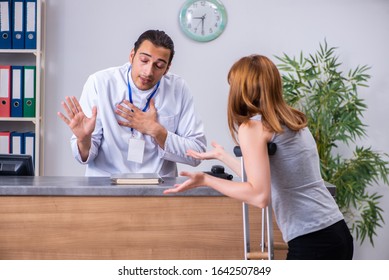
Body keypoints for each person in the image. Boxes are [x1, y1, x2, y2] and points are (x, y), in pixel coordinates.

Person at [164, 54, 354, 260]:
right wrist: (223, 156)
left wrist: (206, 180)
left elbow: (259, 196)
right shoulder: (292, 120)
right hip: (336, 231)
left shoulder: (253, 126)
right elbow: (265, 181)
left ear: (242, 89)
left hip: (312, 240)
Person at [57, 30, 207, 176]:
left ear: (167, 69)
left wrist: (157, 131)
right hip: (106, 186)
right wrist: (84, 140)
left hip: (159, 189)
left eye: (159, 66)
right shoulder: (101, 83)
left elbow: (197, 153)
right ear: (132, 56)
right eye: (144, 60)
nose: (148, 72)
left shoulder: (178, 89)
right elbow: (83, 157)